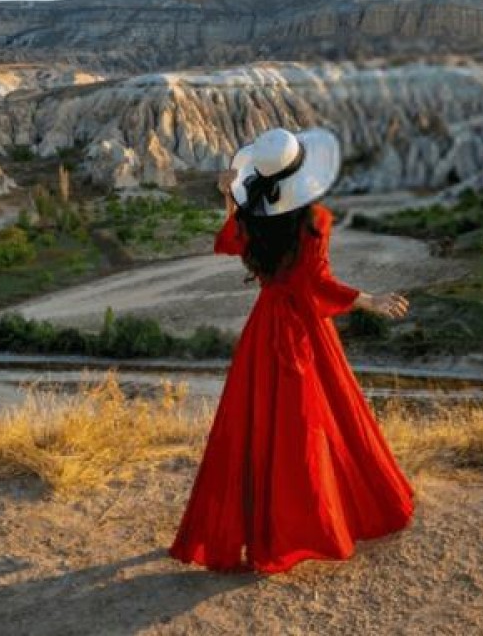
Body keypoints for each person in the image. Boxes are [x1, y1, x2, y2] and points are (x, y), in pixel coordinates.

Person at [169, 126, 415, 573]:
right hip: (301, 331)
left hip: (263, 329)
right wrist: (369, 301)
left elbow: (231, 241)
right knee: (311, 426)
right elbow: (313, 284)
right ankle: (304, 526)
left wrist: (231, 198)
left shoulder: (253, 212)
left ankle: (261, 531)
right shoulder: (315, 219)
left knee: (257, 428)